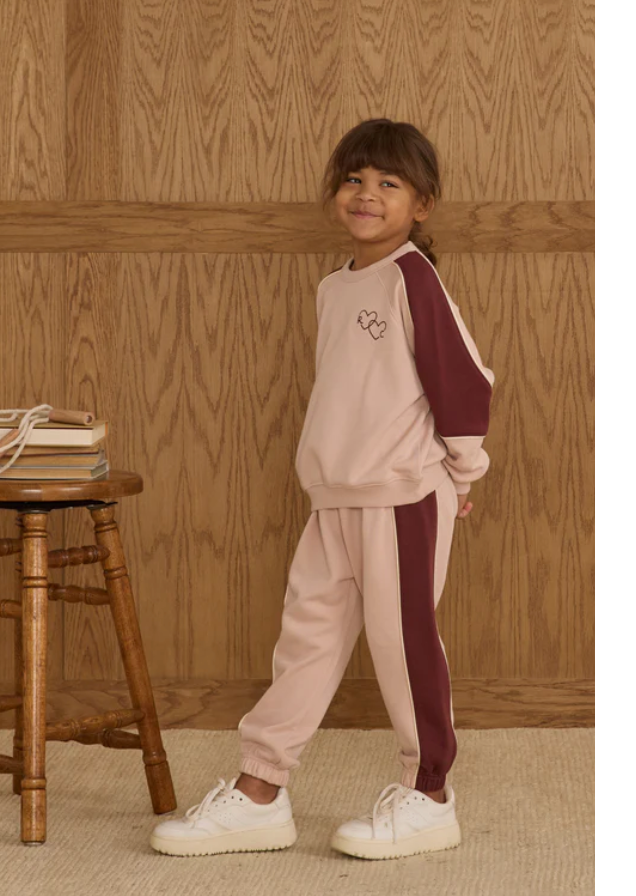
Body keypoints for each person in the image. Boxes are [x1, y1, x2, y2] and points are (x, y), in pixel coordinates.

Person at [150, 118, 495, 861]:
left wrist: (464, 470)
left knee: (402, 644)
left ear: (422, 204)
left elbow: (462, 380)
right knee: (305, 641)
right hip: (333, 495)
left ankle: (430, 795)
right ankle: (260, 791)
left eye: (388, 183)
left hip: (400, 495)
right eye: (353, 179)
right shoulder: (336, 287)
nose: (366, 194)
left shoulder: (411, 277)